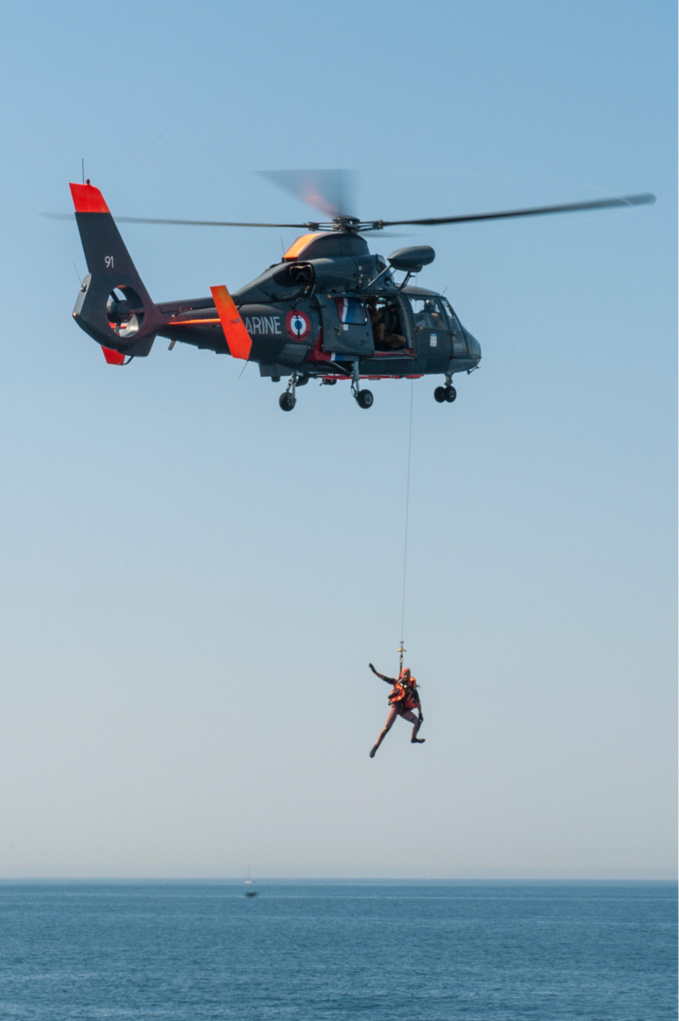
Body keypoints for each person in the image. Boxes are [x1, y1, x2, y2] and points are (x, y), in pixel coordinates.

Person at [368, 663, 425, 757]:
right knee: (386, 728)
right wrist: (375, 672)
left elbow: (418, 702)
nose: (406, 676)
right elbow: (384, 678)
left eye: (408, 674)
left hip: (404, 710)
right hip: (396, 708)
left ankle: (414, 738)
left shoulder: (412, 689)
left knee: (417, 722)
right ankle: (376, 746)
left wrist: (420, 713)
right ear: (401, 675)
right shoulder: (396, 682)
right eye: (404, 674)